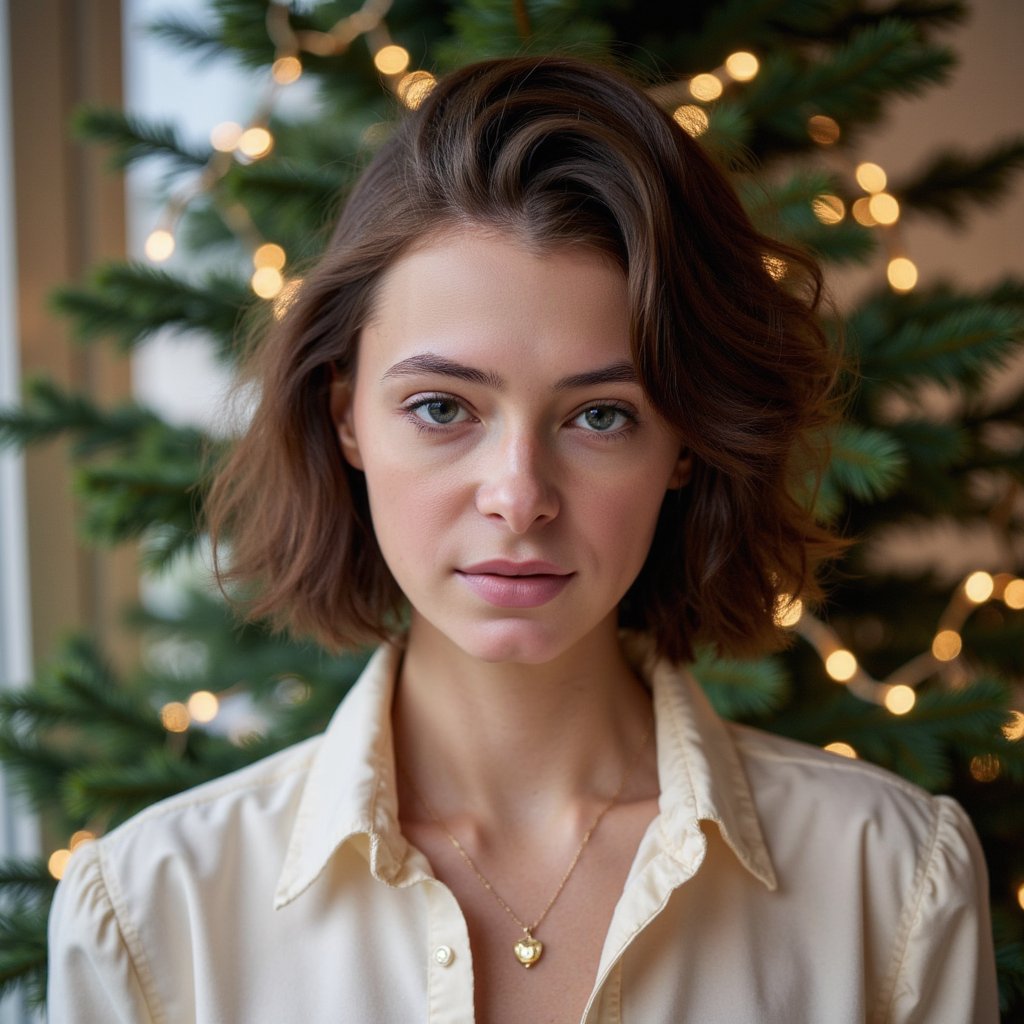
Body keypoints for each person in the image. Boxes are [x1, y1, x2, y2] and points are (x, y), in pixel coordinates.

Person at [47, 56, 998, 1023]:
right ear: (345, 420)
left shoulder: (891, 878)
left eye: (601, 416)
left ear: (684, 443)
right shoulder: (153, 912)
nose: (519, 497)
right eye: (441, 407)